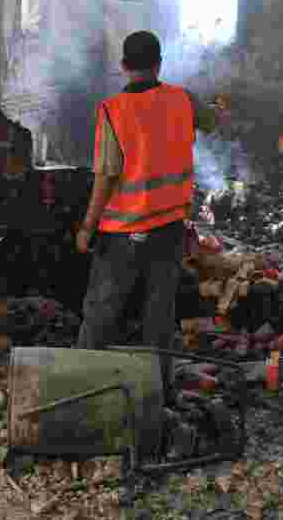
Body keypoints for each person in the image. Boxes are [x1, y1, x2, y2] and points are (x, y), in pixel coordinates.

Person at [74, 31, 219, 393]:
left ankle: (80, 386)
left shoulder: (113, 111)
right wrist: (218, 107)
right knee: (159, 314)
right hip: (169, 227)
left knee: (102, 310)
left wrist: (87, 226)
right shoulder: (183, 100)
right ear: (159, 63)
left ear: (123, 66)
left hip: (123, 232)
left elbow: (106, 176)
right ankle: (160, 392)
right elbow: (214, 121)